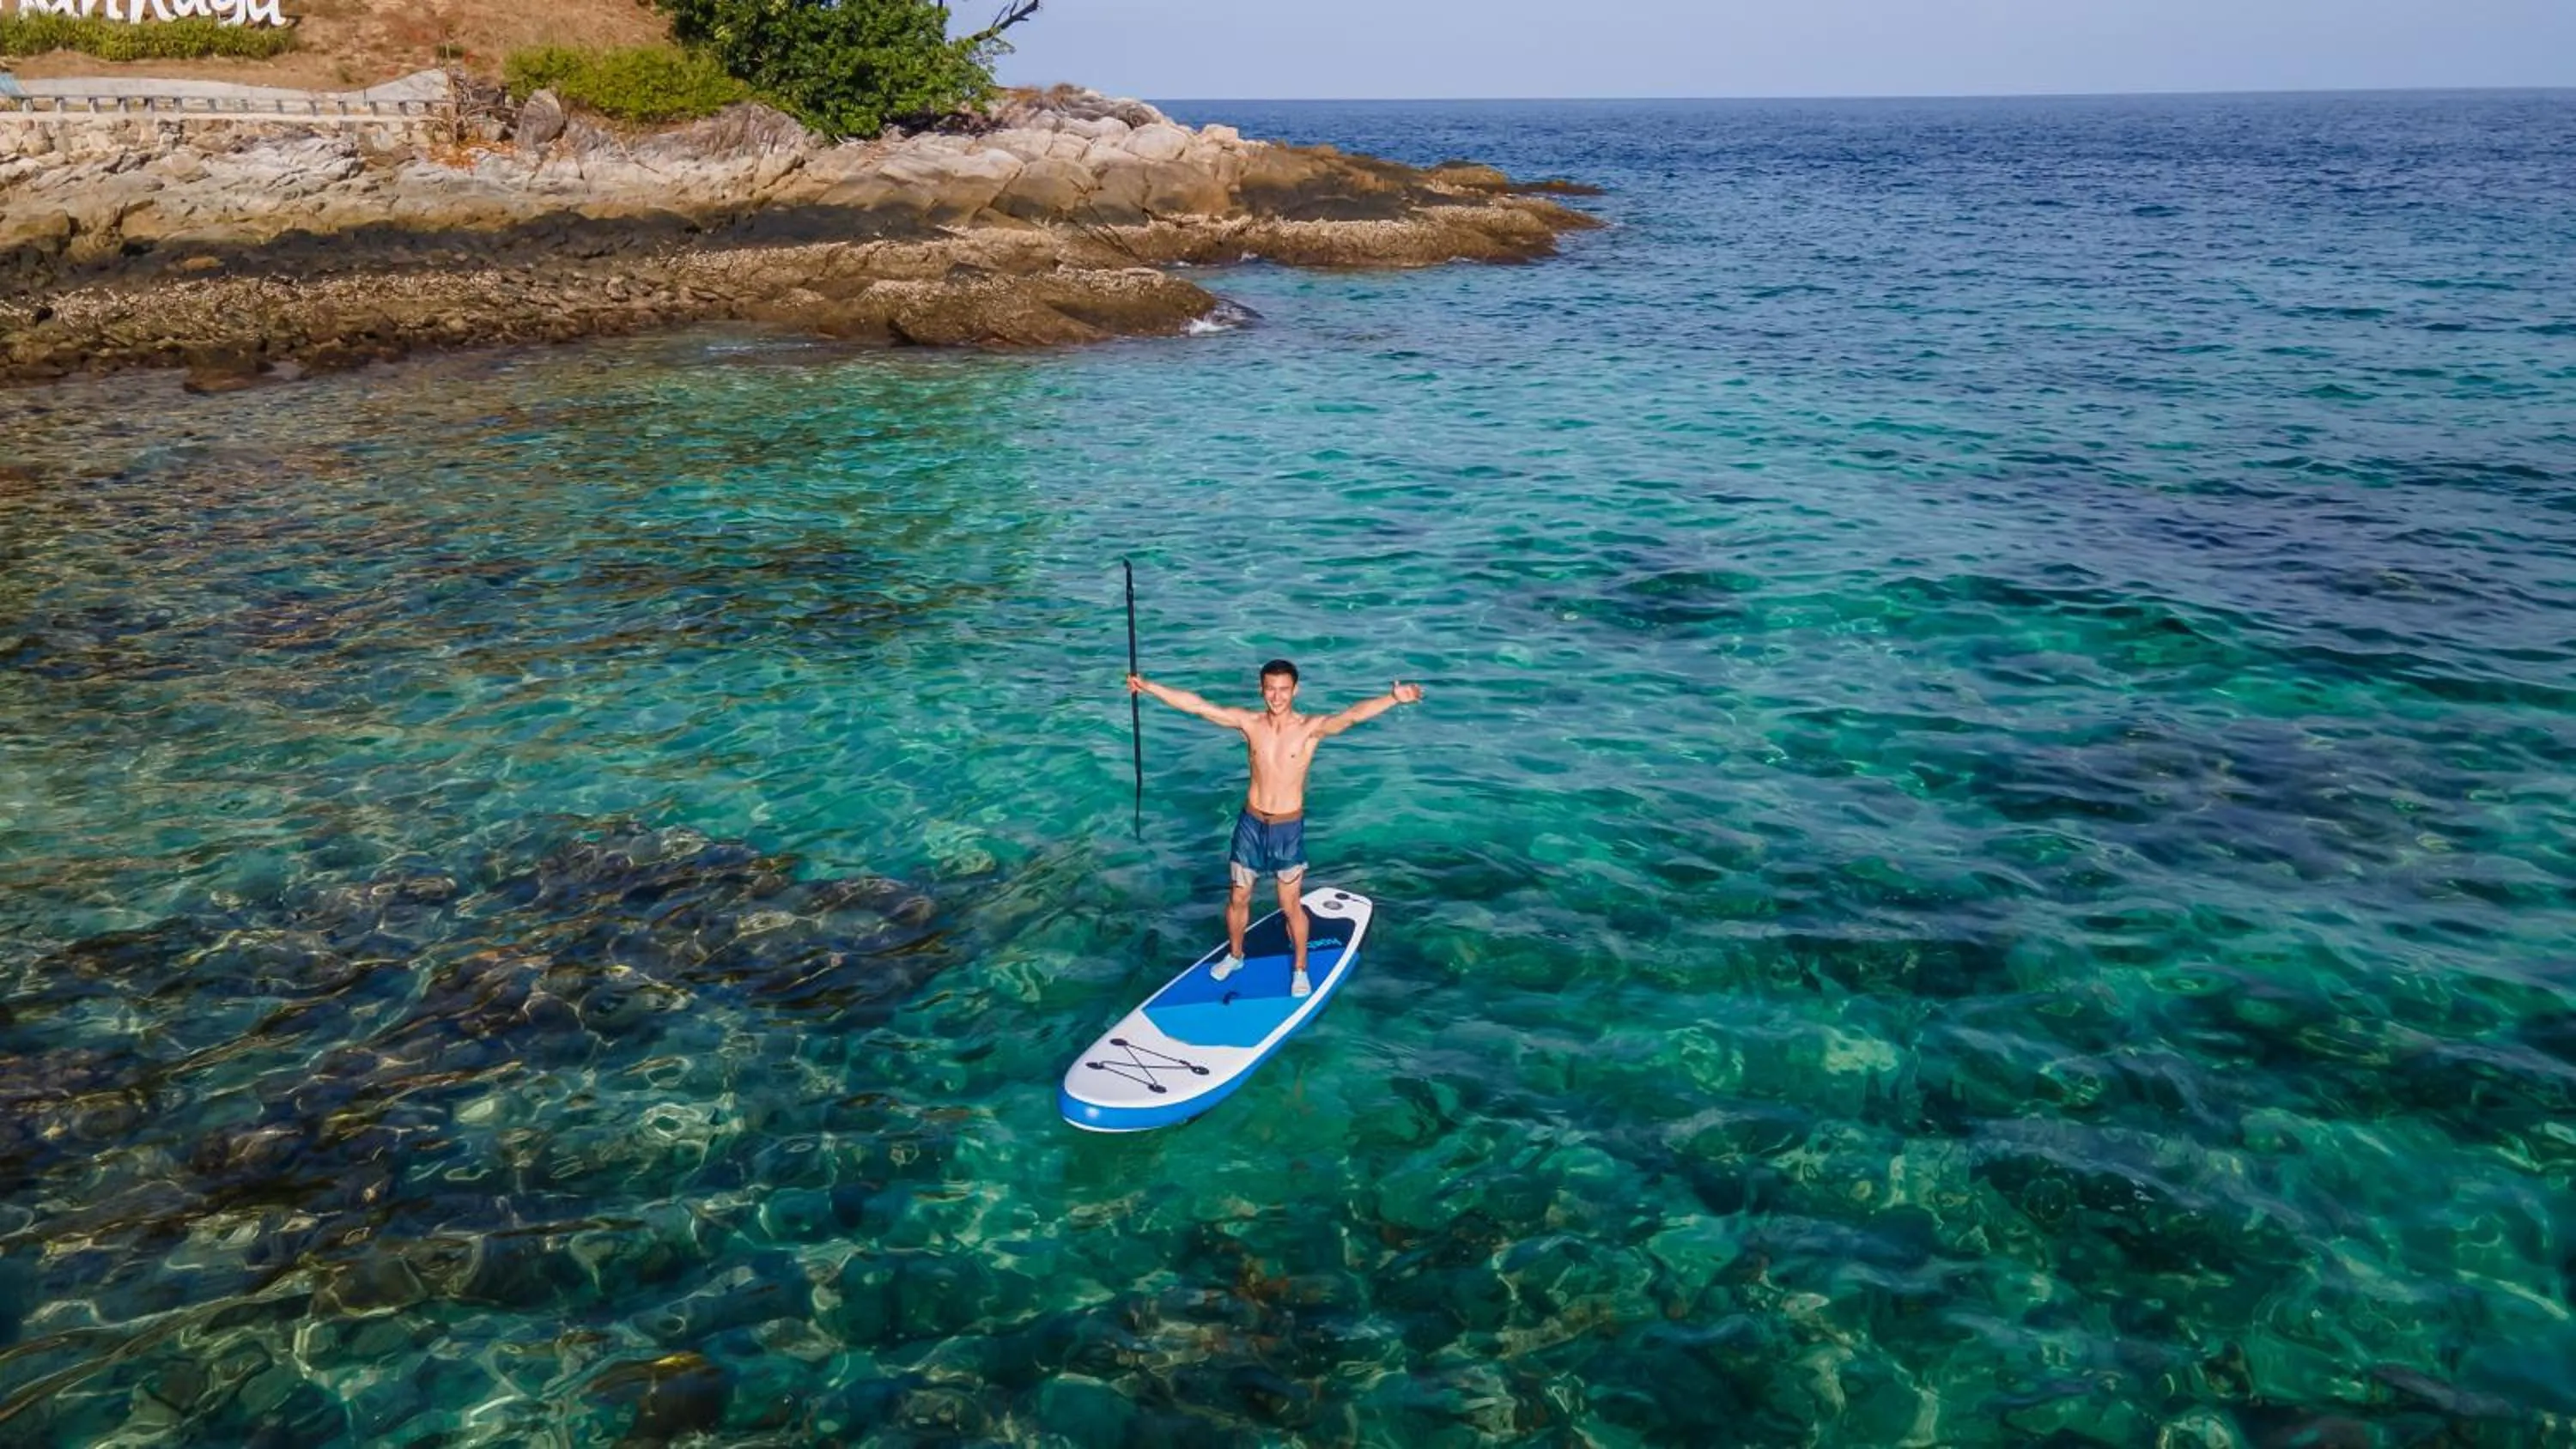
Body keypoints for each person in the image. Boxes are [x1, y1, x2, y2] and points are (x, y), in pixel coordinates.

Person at [1127, 659, 1423, 997]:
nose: (1277, 696)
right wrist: (1148, 686)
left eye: (1284, 689)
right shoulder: (1250, 724)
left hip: (1287, 828)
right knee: (1238, 897)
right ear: (1261, 689)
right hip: (1251, 824)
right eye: (1270, 688)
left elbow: (1351, 716)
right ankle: (1236, 955)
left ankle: (1300, 968)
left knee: (1289, 904)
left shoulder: (1310, 728)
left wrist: (1393, 699)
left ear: (1295, 690)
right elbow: (1198, 706)